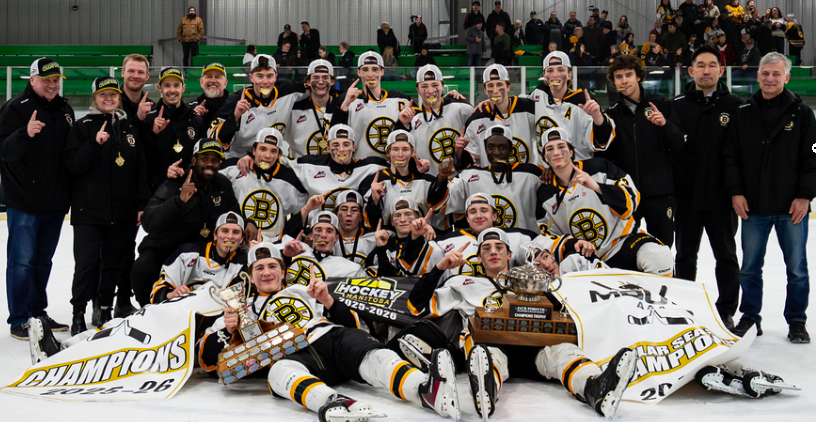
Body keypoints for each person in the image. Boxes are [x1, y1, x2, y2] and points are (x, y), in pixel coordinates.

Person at [198, 242, 460, 421]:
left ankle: (425, 390)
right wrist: (231, 331)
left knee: (370, 351)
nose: (267, 272)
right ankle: (332, 403)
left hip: (330, 339)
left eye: (272, 266)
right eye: (260, 268)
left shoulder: (305, 291)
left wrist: (328, 302)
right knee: (278, 373)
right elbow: (208, 358)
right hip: (296, 358)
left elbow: (355, 325)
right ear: (251, 277)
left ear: (283, 271)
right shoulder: (238, 309)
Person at [407, 228, 638, 420]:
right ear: (478, 258)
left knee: (565, 351)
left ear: (509, 255)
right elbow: (416, 306)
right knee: (484, 353)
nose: (493, 252)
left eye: (499, 248)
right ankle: (485, 389)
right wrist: (439, 269)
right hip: (493, 348)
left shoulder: (533, 282)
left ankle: (595, 387)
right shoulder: (463, 283)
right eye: (486, 249)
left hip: (534, 353)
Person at [724, 53, 816, 343]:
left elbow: (813, 157)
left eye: (776, 74)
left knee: (797, 270)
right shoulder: (743, 112)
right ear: (757, 75)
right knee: (750, 268)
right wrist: (736, 191)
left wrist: (805, 196)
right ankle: (750, 316)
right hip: (754, 207)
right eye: (765, 73)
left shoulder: (802, 114)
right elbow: (731, 157)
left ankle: (797, 321)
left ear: (786, 77)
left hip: (792, 208)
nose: (770, 78)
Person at [64, 77, 150, 334]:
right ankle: (78, 312)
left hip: (122, 212)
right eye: (103, 94)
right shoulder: (82, 127)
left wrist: (141, 204)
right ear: (95, 97)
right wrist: (94, 144)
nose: (109, 98)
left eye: (113, 93)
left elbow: (140, 169)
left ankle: (104, 308)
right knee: (86, 264)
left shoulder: (129, 128)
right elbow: (72, 165)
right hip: (88, 212)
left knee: (112, 264)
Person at [672, 44, 745, 330]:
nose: (706, 70)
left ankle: (726, 310)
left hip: (721, 199)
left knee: (726, 257)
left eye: (712, 65)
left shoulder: (736, 106)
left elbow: (743, 154)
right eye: (700, 65)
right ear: (691, 71)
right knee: (685, 256)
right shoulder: (677, 106)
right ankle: (683, 308)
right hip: (687, 198)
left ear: (721, 70)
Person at [0, 58, 74, 339]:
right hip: (25, 203)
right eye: (46, 79)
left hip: (55, 204)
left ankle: (37, 313)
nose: (52, 84)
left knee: (43, 262)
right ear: (32, 80)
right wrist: (24, 133)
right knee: (21, 263)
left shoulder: (65, 109)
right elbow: (4, 150)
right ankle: (19, 318)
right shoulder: (15, 109)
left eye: (56, 79)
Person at [536, 128, 674, 275]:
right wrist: (573, 244)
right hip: (588, 256)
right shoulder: (545, 194)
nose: (556, 152)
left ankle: (659, 297)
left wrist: (597, 187)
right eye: (550, 149)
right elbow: (549, 235)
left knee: (659, 257)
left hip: (623, 242)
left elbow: (631, 203)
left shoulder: (599, 167)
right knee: (568, 269)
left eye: (561, 147)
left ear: (571, 152)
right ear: (545, 157)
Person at [130, 139, 239, 306]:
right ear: (194, 160)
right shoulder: (174, 183)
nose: (210, 164)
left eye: (215, 160)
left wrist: (249, 224)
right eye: (205, 159)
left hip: (201, 249)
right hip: (165, 247)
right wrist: (178, 201)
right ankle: (147, 309)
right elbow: (148, 221)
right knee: (142, 268)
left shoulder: (222, 184)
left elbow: (234, 214)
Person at [596, 55, 686, 247]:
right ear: (613, 81)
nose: (624, 80)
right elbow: (605, 157)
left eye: (629, 75)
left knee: (663, 252)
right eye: (619, 76)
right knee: (627, 252)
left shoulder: (660, 104)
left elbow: (679, 142)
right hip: (627, 196)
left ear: (639, 76)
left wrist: (665, 124)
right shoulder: (610, 114)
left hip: (660, 194)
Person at [429, 125, 543, 232]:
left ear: (511, 150)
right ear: (485, 149)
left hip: (523, 242)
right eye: (491, 147)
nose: (496, 152)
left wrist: (551, 172)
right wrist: (441, 177)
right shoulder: (469, 176)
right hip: (484, 247)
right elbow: (437, 204)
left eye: (502, 147)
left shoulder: (531, 174)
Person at [218, 128, 308, 242]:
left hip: (272, 245)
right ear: (254, 150)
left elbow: (300, 215)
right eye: (263, 149)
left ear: (279, 154)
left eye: (274, 151)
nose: (267, 156)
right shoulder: (234, 168)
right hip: (234, 240)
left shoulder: (291, 180)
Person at [208, 54, 302, 160]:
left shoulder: (288, 90)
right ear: (251, 78)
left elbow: (315, 89)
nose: (265, 82)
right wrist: (235, 116)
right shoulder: (234, 102)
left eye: (269, 76)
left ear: (276, 77)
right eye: (260, 76)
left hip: (270, 161)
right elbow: (213, 140)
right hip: (239, 162)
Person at [528, 51, 615, 162]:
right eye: (550, 70)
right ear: (544, 76)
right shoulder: (538, 94)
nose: (555, 75)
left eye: (560, 70)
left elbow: (602, 139)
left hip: (576, 171)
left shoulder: (581, 102)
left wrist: (597, 116)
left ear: (569, 74)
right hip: (545, 171)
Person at [150, 211, 247, 304]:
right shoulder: (187, 253)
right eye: (225, 231)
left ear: (242, 239)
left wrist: (254, 261)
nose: (230, 236)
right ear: (215, 235)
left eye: (235, 232)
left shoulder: (244, 265)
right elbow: (156, 292)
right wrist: (171, 294)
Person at [395, 65, 474, 177]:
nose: (430, 91)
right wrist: (401, 124)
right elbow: (398, 154)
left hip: (460, 182)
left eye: (435, 85)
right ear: (417, 89)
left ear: (442, 86)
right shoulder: (412, 119)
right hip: (428, 185)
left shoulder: (462, 108)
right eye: (424, 86)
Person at [330, 51, 412, 159]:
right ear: (358, 72)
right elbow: (333, 137)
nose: (370, 74)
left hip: (394, 168)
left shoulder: (401, 99)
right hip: (360, 168)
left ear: (382, 71)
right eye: (365, 70)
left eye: (375, 69)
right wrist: (345, 105)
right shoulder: (345, 100)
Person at [463, 64, 542, 167]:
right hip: (492, 180)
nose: (495, 91)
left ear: (508, 86)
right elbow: (471, 157)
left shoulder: (529, 108)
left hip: (525, 180)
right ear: (485, 90)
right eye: (490, 86)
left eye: (499, 84)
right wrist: (460, 153)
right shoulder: (475, 120)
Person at [358, 130, 439, 229]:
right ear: (388, 153)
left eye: (405, 149)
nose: (400, 154)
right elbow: (370, 224)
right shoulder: (375, 181)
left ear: (412, 153)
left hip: (421, 237)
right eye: (395, 149)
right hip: (389, 240)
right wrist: (374, 201)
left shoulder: (427, 181)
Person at [142, 67, 206, 191]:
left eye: (176, 85)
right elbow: (142, 160)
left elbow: (201, 158)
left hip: (191, 191)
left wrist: (186, 172)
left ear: (183, 88)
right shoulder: (149, 119)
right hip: (158, 193)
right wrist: (153, 133)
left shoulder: (196, 120)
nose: (172, 90)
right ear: (159, 88)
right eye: (167, 85)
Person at [285, 59, 337, 158]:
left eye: (325, 77)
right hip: (301, 170)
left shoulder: (342, 106)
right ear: (308, 82)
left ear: (332, 81)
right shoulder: (293, 108)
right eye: (316, 77)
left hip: (333, 171)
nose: (321, 82)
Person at [189, 62, 230, 130]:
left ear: (225, 83)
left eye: (217, 77)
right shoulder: (190, 108)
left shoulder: (234, 107)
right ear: (201, 82)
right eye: (209, 76)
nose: (213, 80)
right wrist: (192, 118)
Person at [119, 54, 154, 131]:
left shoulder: (153, 108)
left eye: (140, 72)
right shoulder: (111, 106)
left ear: (147, 76)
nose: (135, 76)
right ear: (123, 73)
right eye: (131, 71)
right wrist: (138, 118)